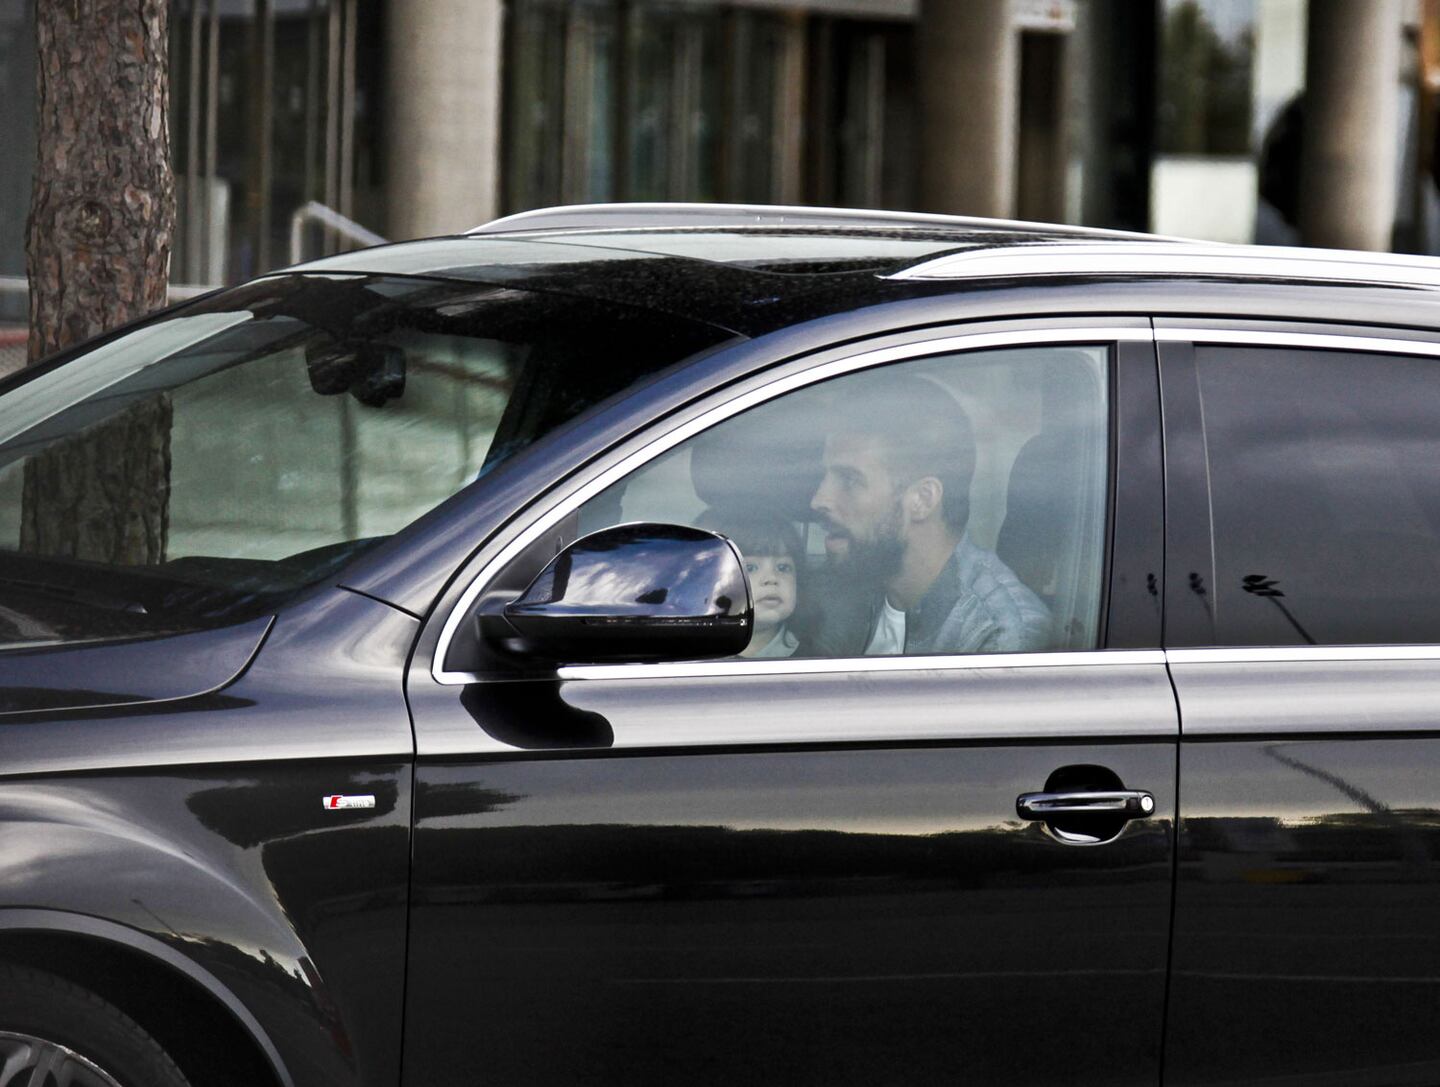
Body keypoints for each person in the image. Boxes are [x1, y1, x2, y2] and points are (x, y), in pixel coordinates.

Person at [808, 374, 1050, 656]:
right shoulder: (851, 587)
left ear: (922, 500)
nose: (819, 500)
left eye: (849, 480)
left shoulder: (997, 634)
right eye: (824, 477)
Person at [700, 510, 806, 657]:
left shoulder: (817, 655)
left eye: (783, 567)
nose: (771, 578)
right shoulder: (689, 653)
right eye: (750, 568)